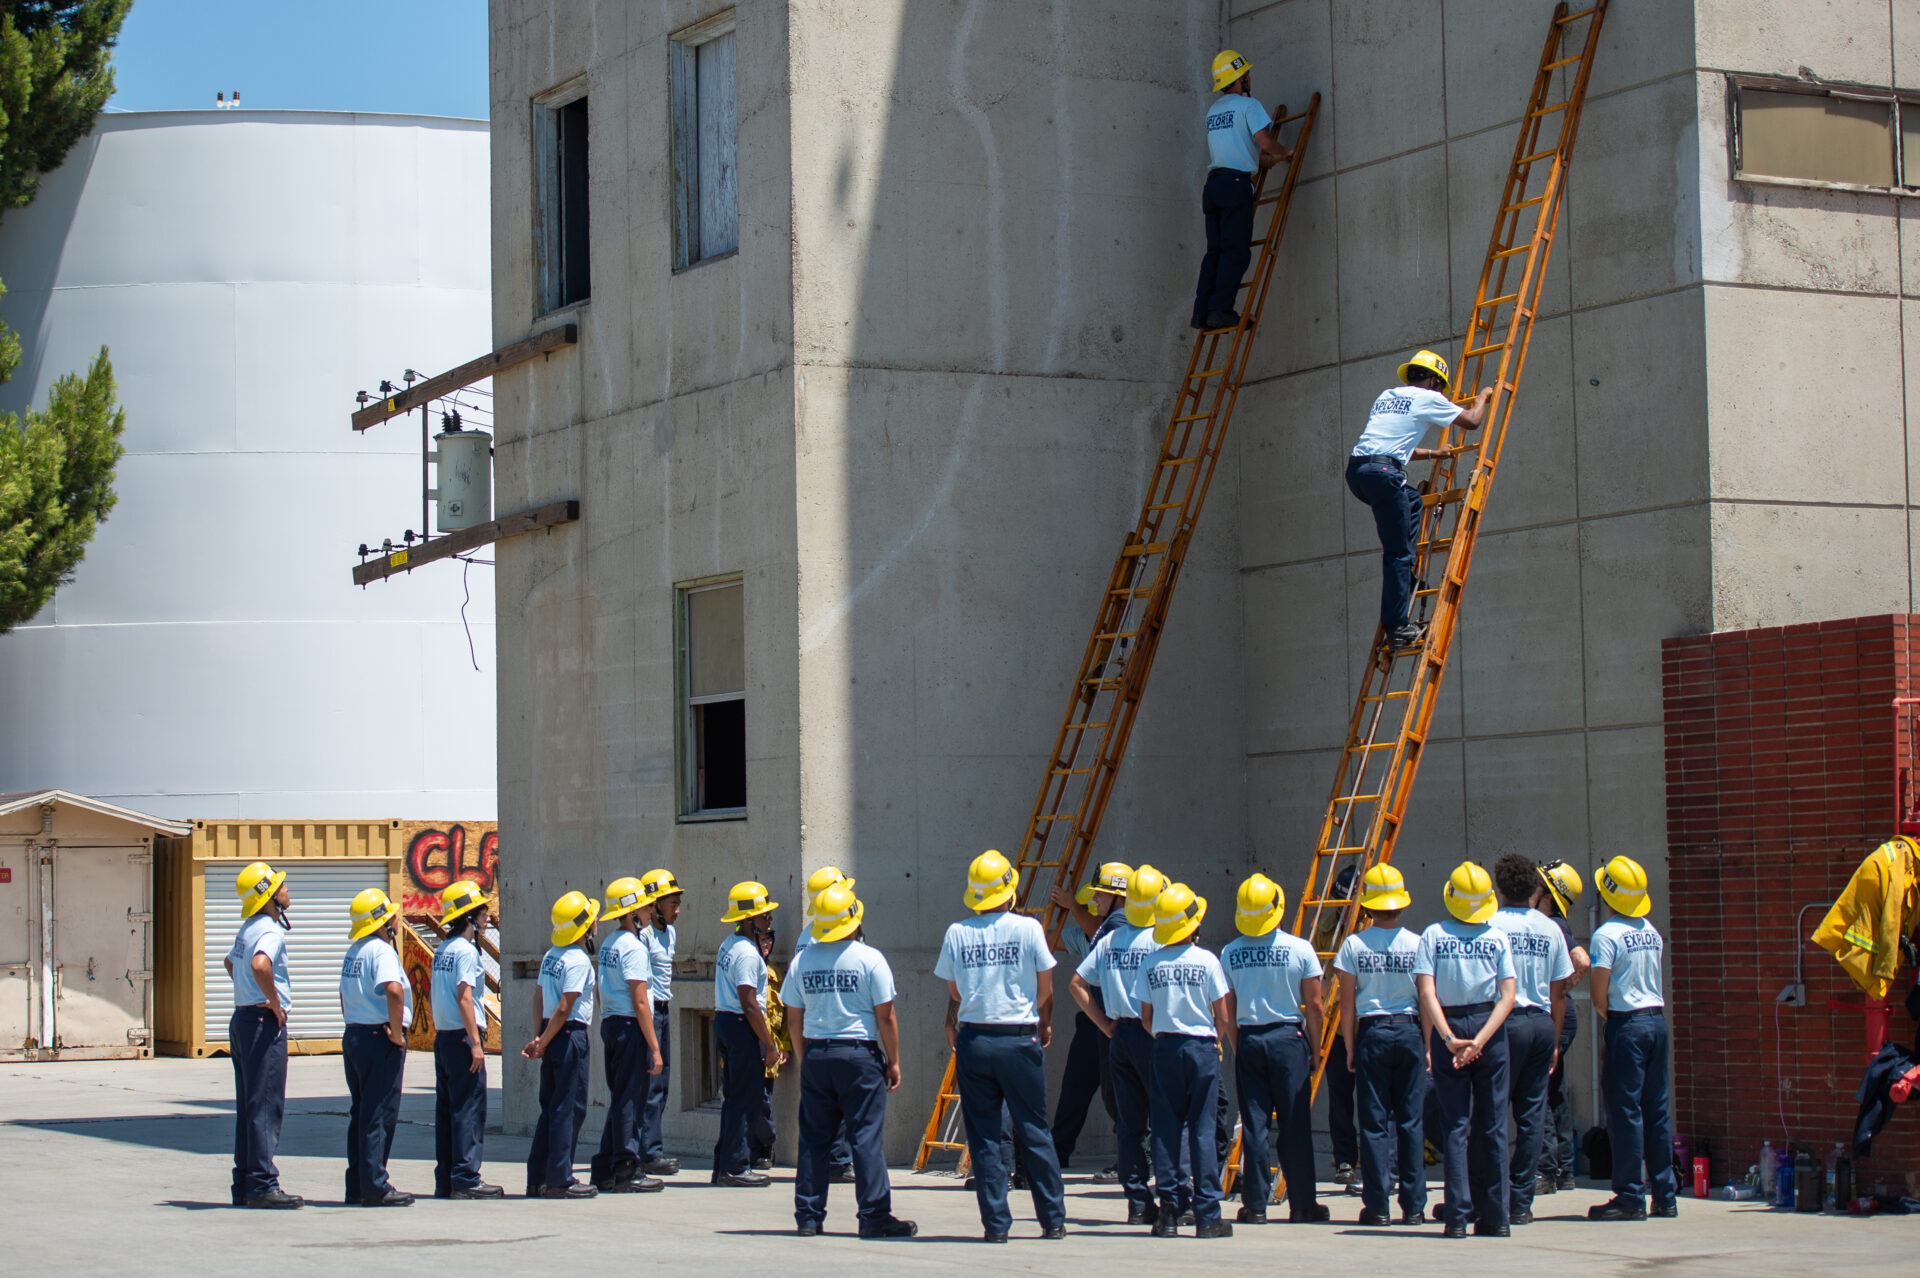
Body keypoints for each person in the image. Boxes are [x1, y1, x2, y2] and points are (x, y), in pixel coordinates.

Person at [934, 849, 1068, 1242]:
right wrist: (1043, 1025)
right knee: (1034, 1128)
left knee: (985, 1134)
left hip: (974, 1040)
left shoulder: (957, 933)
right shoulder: (1028, 929)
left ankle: (996, 1225)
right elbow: (1046, 990)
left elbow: (955, 990)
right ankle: (1053, 1220)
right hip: (1018, 1039)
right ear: (1009, 891)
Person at [784, 880, 917, 1239]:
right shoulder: (870, 958)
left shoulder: (803, 960)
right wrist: (894, 1060)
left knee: (813, 1139)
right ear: (854, 920)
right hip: (859, 1055)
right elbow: (886, 1016)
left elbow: (793, 1018)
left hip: (817, 1053)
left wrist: (804, 1057)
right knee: (865, 1137)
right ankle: (873, 1215)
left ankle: (808, 1216)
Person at [1346, 350, 1495, 648]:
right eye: (1440, 387)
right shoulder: (1430, 397)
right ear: (1433, 381)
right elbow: (1473, 422)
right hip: (1385, 474)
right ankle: (1397, 626)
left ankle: (1406, 577)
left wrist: (1433, 454)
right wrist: (1483, 397)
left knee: (1412, 500)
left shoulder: (1387, 396)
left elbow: (1390, 444)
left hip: (1359, 472)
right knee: (1397, 553)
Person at [1414, 861, 1517, 1238]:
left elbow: (1427, 993)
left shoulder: (1433, 936)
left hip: (1451, 1026)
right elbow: (1508, 997)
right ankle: (1497, 1216)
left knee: (1455, 1125)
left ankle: (1456, 1217)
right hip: (1488, 1028)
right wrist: (1482, 1040)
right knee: (1492, 1126)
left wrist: (1447, 1039)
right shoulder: (1498, 937)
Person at [1221, 873, 1328, 1225]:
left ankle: (1254, 1205)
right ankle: (1302, 1204)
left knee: (1254, 1125)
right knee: (1295, 1124)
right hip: (1287, 1040)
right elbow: (1315, 1005)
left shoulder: (1230, 953)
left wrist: (1239, 1046)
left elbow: (1228, 1009)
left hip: (1250, 1039)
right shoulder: (1300, 949)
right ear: (1277, 909)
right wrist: (1315, 1050)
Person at [1070, 863, 1172, 1224]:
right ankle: (1172, 1200)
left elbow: (1077, 984)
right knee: (1165, 1116)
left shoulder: (1112, 939)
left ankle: (1138, 1204)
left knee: (1129, 1124)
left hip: (1121, 1038)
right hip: (1151, 1034)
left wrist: (1106, 1025)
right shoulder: (1159, 941)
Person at [1135, 881, 1235, 1239]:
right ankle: (1207, 1215)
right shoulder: (1207, 961)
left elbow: (1145, 1018)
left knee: (1165, 1130)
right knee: (1203, 1130)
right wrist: (1213, 1042)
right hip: (1201, 1048)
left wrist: (1166, 1036)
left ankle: (1169, 1214)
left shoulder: (1150, 963)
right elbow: (1222, 1015)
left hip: (1164, 1047)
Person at [1334, 863, 1427, 1227]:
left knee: (1373, 1125)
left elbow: (1346, 1002)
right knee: (1410, 1121)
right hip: (1409, 1032)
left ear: (1367, 904)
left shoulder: (1354, 945)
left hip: (1372, 1032)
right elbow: (1426, 996)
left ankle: (1377, 1206)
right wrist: (1430, 1044)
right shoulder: (1418, 943)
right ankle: (1415, 1206)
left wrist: (1351, 1045)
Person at [1587, 855, 1676, 1222]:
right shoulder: (1649, 931)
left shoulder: (1606, 935)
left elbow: (1598, 994)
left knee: (1625, 1112)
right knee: (1656, 1111)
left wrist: (1615, 1025)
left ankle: (1629, 1195)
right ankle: (1665, 1195)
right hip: (1656, 1022)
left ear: (1608, 895)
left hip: (1629, 1024)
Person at [1488, 855, 1572, 1226]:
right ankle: (1521, 1201)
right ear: (1535, 889)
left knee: (1491, 1112)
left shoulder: (1489, 925)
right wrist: (1553, 1040)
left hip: (1502, 1022)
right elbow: (1559, 993)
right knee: (1532, 1114)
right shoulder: (1551, 929)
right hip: (1540, 1022)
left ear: (1500, 888)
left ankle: (1492, 1195)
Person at [1192, 49, 1292, 331]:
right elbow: (1264, 141)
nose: (1250, 76)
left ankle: (1202, 311)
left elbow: (1232, 148)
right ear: (1241, 79)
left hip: (1214, 185)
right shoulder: (1249, 106)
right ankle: (1221, 310)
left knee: (1215, 252)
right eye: (1246, 73)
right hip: (1236, 186)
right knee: (1235, 252)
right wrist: (1285, 152)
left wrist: (1259, 162)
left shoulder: (1215, 111)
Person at [225, 861, 300, 1209]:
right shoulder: (270, 930)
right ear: (268, 896)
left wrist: (247, 993)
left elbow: (231, 963)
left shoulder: (248, 927)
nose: (286, 889)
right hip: (260, 1023)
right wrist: (273, 1002)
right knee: (266, 1104)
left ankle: (245, 1181)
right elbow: (259, 965)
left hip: (242, 1019)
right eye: (280, 885)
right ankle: (262, 1184)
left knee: (249, 1104)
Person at [1048, 861, 1129, 1176]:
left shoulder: (1121, 927)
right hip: (1094, 1020)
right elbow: (1049, 939)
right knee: (1076, 1088)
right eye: (1089, 901)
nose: (1094, 904)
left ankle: (1130, 1156)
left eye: (1099, 897)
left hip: (1118, 1022)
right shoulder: (1087, 935)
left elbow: (1102, 930)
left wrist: (1071, 906)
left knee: (1121, 1095)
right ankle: (1059, 1150)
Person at [339, 887, 414, 1206]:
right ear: (383, 922)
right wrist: (397, 1034)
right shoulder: (382, 951)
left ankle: (357, 1183)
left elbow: (343, 996)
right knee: (379, 1113)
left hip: (355, 1034)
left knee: (361, 1111)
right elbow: (394, 991)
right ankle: (375, 1185)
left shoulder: (354, 951)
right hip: (378, 1037)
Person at [589, 877, 665, 1193]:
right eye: (645, 907)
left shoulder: (609, 943)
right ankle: (626, 1167)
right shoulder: (633, 947)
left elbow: (599, 990)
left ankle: (606, 1166)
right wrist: (655, 1048)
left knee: (621, 1097)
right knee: (631, 1099)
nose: (650, 912)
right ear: (632, 913)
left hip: (612, 1023)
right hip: (630, 1026)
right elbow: (640, 1001)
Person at [523, 889, 599, 1199]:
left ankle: (537, 1178)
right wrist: (547, 1039)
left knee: (550, 1109)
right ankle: (560, 1178)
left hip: (551, 1036)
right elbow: (565, 1007)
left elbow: (539, 998)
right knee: (569, 1109)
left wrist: (539, 1038)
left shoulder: (551, 955)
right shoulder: (578, 960)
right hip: (569, 1037)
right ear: (584, 926)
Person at [432, 880, 502, 1199]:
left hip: (445, 1038)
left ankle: (447, 1177)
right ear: (469, 916)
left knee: (447, 1110)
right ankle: (466, 1177)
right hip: (462, 1038)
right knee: (468, 1109)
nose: (487, 917)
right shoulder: (465, 951)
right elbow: (465, 997)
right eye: (482, 911)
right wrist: (476, 1043)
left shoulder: (443, 949)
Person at [713, 880, 783, 1187]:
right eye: (763, 915)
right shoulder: (746, 954)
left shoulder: (729, 944)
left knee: (734, 1099)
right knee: (744, 1099)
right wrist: (769, 1044)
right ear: (746, 919)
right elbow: (750, 1003)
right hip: (742, 1027)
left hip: (728, 1023)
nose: (769, 920)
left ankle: (725, 1163)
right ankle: (736, 1166)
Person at [792, 866, 858, 1181]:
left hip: (818, 1029)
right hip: (833, 1028)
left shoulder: (813, 937)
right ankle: (838, 1160)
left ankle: (832, 1160)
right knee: (836, 1102)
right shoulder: (818, 941)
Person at [1531, 860, 1589, 1193]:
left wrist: (1561, 990)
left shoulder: (1553, 924)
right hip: (1562, 1016)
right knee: (1555, 1094)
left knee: (1539, 1091)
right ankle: (1565, 1168)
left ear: (1549, 894)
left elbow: (1582, 960)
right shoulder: (1557, 924)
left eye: (1539, 885)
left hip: (1555, 1016)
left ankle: (1548, 1169)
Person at [637, 867, 682, 1176]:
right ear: (654, 905)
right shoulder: (643, 937)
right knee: (650, 1084)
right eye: (672, 903)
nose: (677, 909)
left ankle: (651, 1147)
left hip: (665, 1010)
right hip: (650, 1012)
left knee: (662, 1084)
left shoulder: (671, 932)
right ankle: (648, 1152)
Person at [755, 924, 786, 1170]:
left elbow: (784, 1015)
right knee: (752, 1100)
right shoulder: (747, 967)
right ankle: (756, 1146)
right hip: (751, 1045)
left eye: (769, 939)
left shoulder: (774, 974)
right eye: (762, 939)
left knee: (764, 1099)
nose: (766, 944)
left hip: (770, 1051)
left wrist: (783, 1045)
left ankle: (764, 1149)